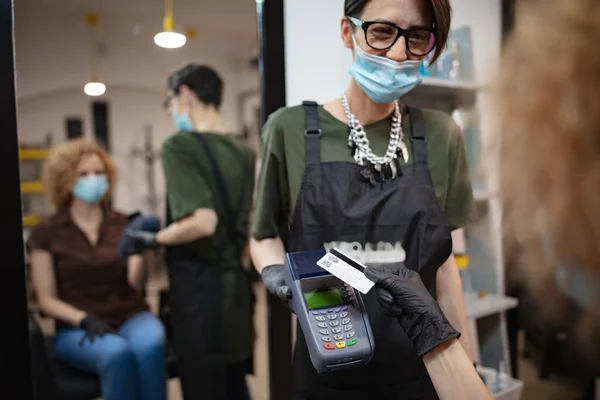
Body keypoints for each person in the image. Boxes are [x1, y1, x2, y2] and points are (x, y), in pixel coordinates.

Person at [250, 0, 476, 398]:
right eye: (383, 31)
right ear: (347, 32)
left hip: (422, 368)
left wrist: (467, 368)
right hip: (326, 366)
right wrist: (277, 275)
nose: (398, 53)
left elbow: (444, 269)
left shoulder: (441, 136)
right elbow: (262, 233)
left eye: (416, 36)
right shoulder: (287, 130)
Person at [124, 64, 256, 399]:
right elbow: (247, 229)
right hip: (237, 295)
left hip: (200, 299)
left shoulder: (180, 146)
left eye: (171, 103)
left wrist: (154, 239)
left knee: (203, 387)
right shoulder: (243, 151)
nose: (173, 112)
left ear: (185, 93)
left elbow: (203, 221)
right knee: (234, 383)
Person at [26, 139, 167, 400]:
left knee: (150, 347)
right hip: (77, 326)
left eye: (99, 172)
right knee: (116, 354)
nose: (93, 179)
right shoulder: (45, 232)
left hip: (130, 315)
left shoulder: (123, 223)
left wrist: (141, 251)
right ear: (65, 180)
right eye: (83, 174)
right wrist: (82, 318)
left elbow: (134, 286)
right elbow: (46, 299)